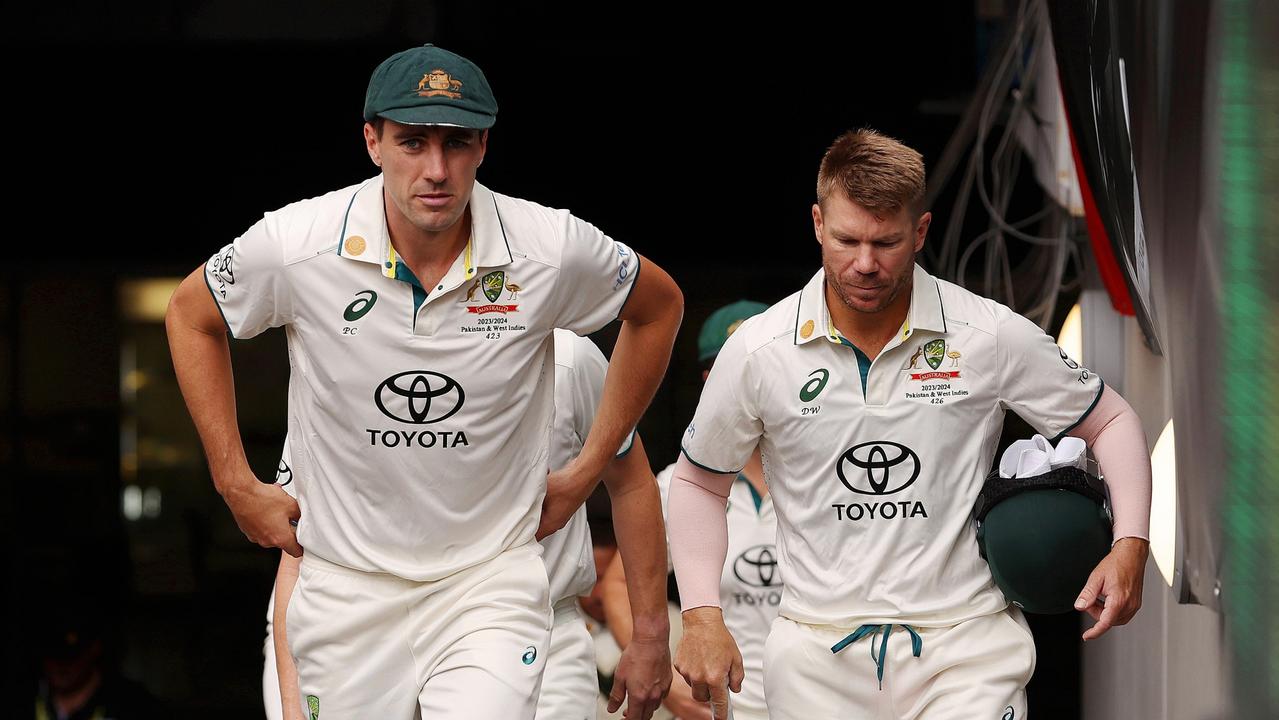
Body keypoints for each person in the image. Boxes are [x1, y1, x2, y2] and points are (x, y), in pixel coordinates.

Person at [165, 43, 680, 719]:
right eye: (412, 142)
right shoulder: (299, 242)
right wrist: (235, 483)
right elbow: (190, 314)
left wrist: (586, 468)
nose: (436, 170)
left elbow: (658, 306)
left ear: (484, 146)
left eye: (457, 143)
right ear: (372, 141)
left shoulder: (547, 245)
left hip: (487, 582)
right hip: (347, 588)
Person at [668, 129, 1152, 719]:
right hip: (815, 655)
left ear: (920, 232)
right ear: (817, 224)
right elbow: (699, 481)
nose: (865, 263)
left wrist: (1130, 543)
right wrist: (700, 614)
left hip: (965, 647)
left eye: (887, 242)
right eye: (846, 240)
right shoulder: (758, 350)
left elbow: (1110, 420)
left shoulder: (986, 334)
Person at [263, 330, 669, 720]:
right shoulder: (347, 358)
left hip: (535, 625)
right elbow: (300, 545)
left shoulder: (568, 362)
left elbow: (631, 484)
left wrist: (651, 635)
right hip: (368, 626)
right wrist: (290, 702)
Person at [602, 301, 779, 720]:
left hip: (824, 698)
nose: (749, 385)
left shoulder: (830, 474)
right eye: (730, 370)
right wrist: (673, 688)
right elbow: (616, 586)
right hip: (726, 709)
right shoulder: (678, 485)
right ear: (707, 381)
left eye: (764, 369)